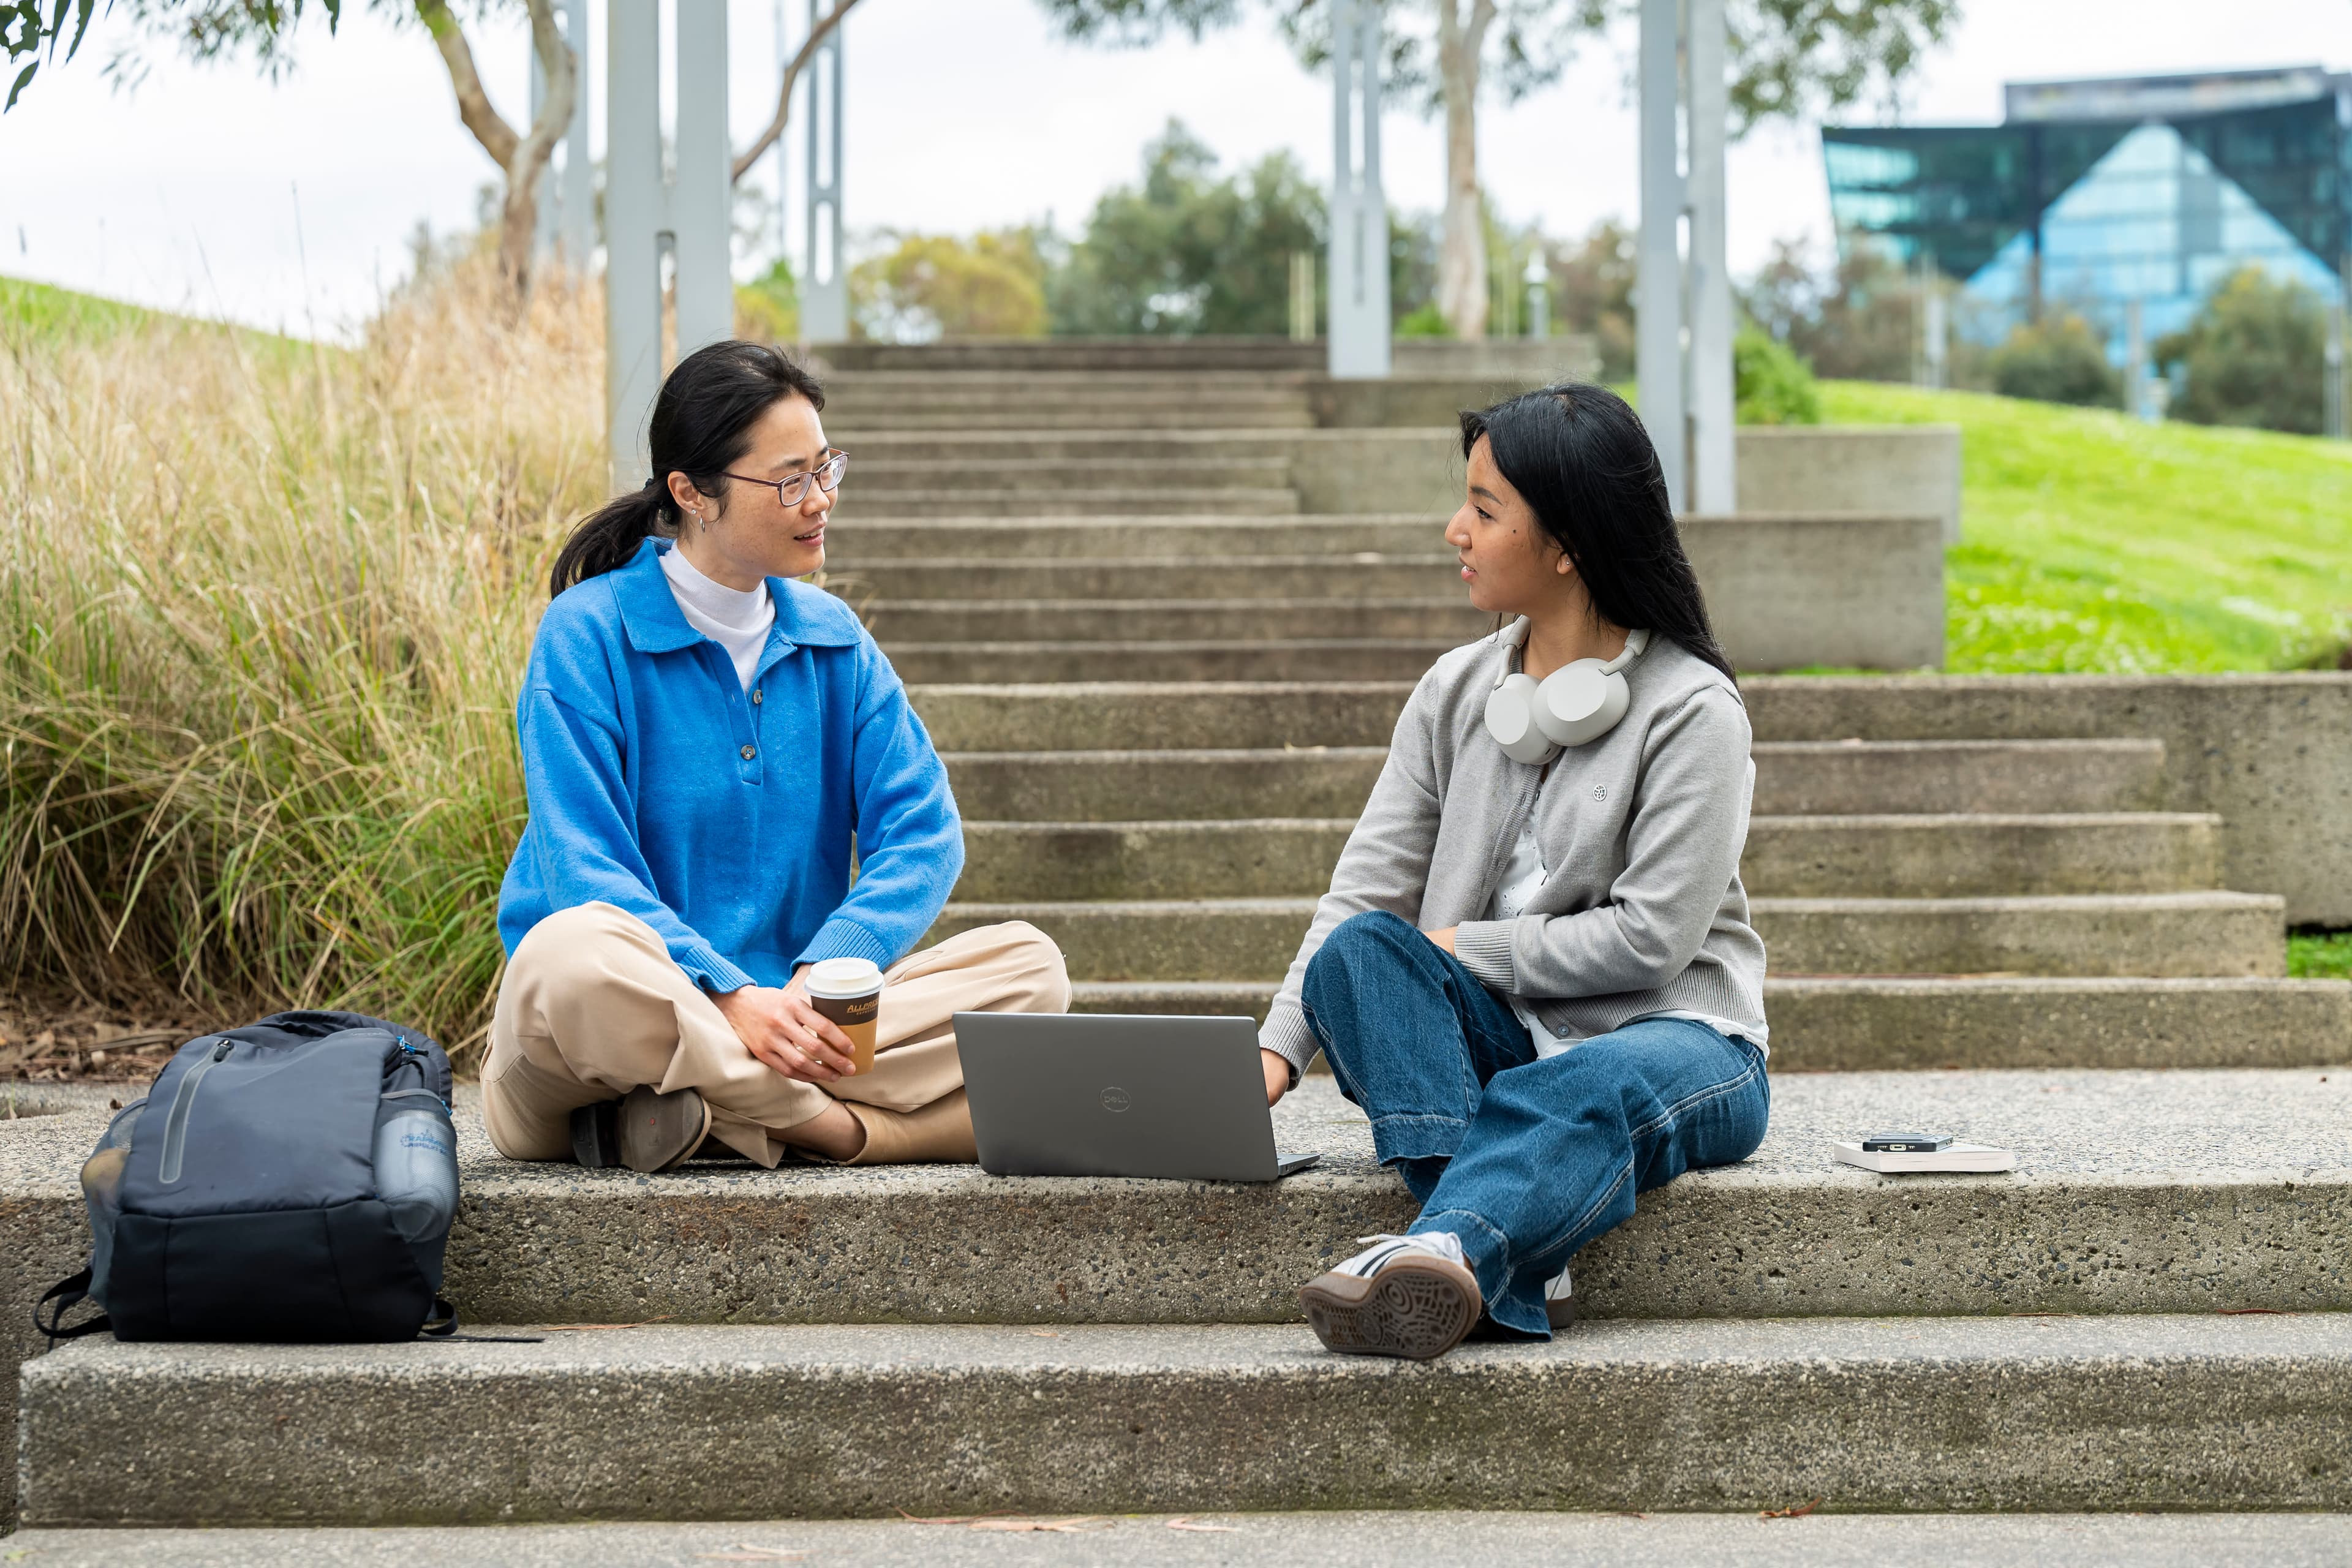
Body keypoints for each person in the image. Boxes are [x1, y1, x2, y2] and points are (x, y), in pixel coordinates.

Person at [1257, 383, 1769, 1360]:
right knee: (1360, 954)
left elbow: (1652, 941)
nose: (1455, 530)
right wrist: (1277, 1051)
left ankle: (1453, 1245)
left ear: (1567, 542)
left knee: (1584, 1081)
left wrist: (1466, 947)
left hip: (1677, 1042)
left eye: (1485, 510)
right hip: (1500, 1039)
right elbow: (1366, 890)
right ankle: (1512, 1250)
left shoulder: (1693, 710)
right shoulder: (1454, 690)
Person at [483, 340, 1069, 1174]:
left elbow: (925, 834)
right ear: (692, 494)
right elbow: (584, 868)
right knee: (569, 956)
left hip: (796, 1018)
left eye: (826, 468)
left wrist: (822, 975)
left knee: (1029, 968)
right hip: (609, 1028)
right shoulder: (587, 635)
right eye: (791, 480)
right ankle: (842, 1131)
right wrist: (728, 995)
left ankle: (701, 1115)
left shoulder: (835, 641)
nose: (820, 499)